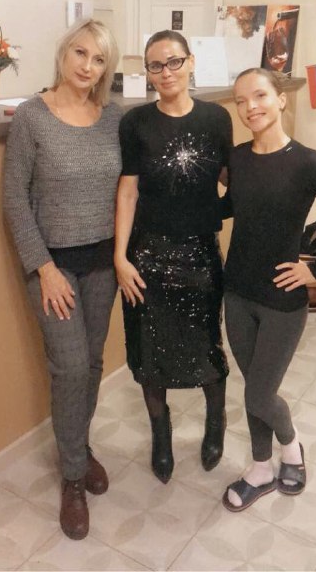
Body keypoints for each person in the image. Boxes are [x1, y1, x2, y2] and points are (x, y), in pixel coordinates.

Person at [221, 67, 316, 512]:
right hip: (237, 292)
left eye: (260, 95)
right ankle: (261, 468)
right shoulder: (238, 159)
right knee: (254, 386)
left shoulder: (308, 162)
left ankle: (290, 447)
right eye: (241, 100)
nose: (251, 107)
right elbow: (228, 208)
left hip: (282, 301)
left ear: (281, 98)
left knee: (259, 393)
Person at [3, 19, 121, 540]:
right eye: (80, 53)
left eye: (98, 60)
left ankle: (79, 446)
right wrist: (44, 268)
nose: (87, 66)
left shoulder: (112, 118)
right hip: (53, 267)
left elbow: (128, 189)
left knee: (92, 363)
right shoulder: (32, 117)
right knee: (70, 367)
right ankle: (73, 477)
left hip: (102, 265)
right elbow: (13, 198)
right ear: (64, 52)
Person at [114, 30, 233, 483]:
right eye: (155, 65)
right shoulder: (135, 122)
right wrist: (121, 257)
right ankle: (160, 436)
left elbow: (232, 177)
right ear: (147, 72)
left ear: (191, 62)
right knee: (150, 352)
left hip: (200, 252)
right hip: (148, 255)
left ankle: (215, 424)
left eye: (174, 62)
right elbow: (128, 192)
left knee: (207, 346)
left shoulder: (216, 119)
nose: (165, 72)